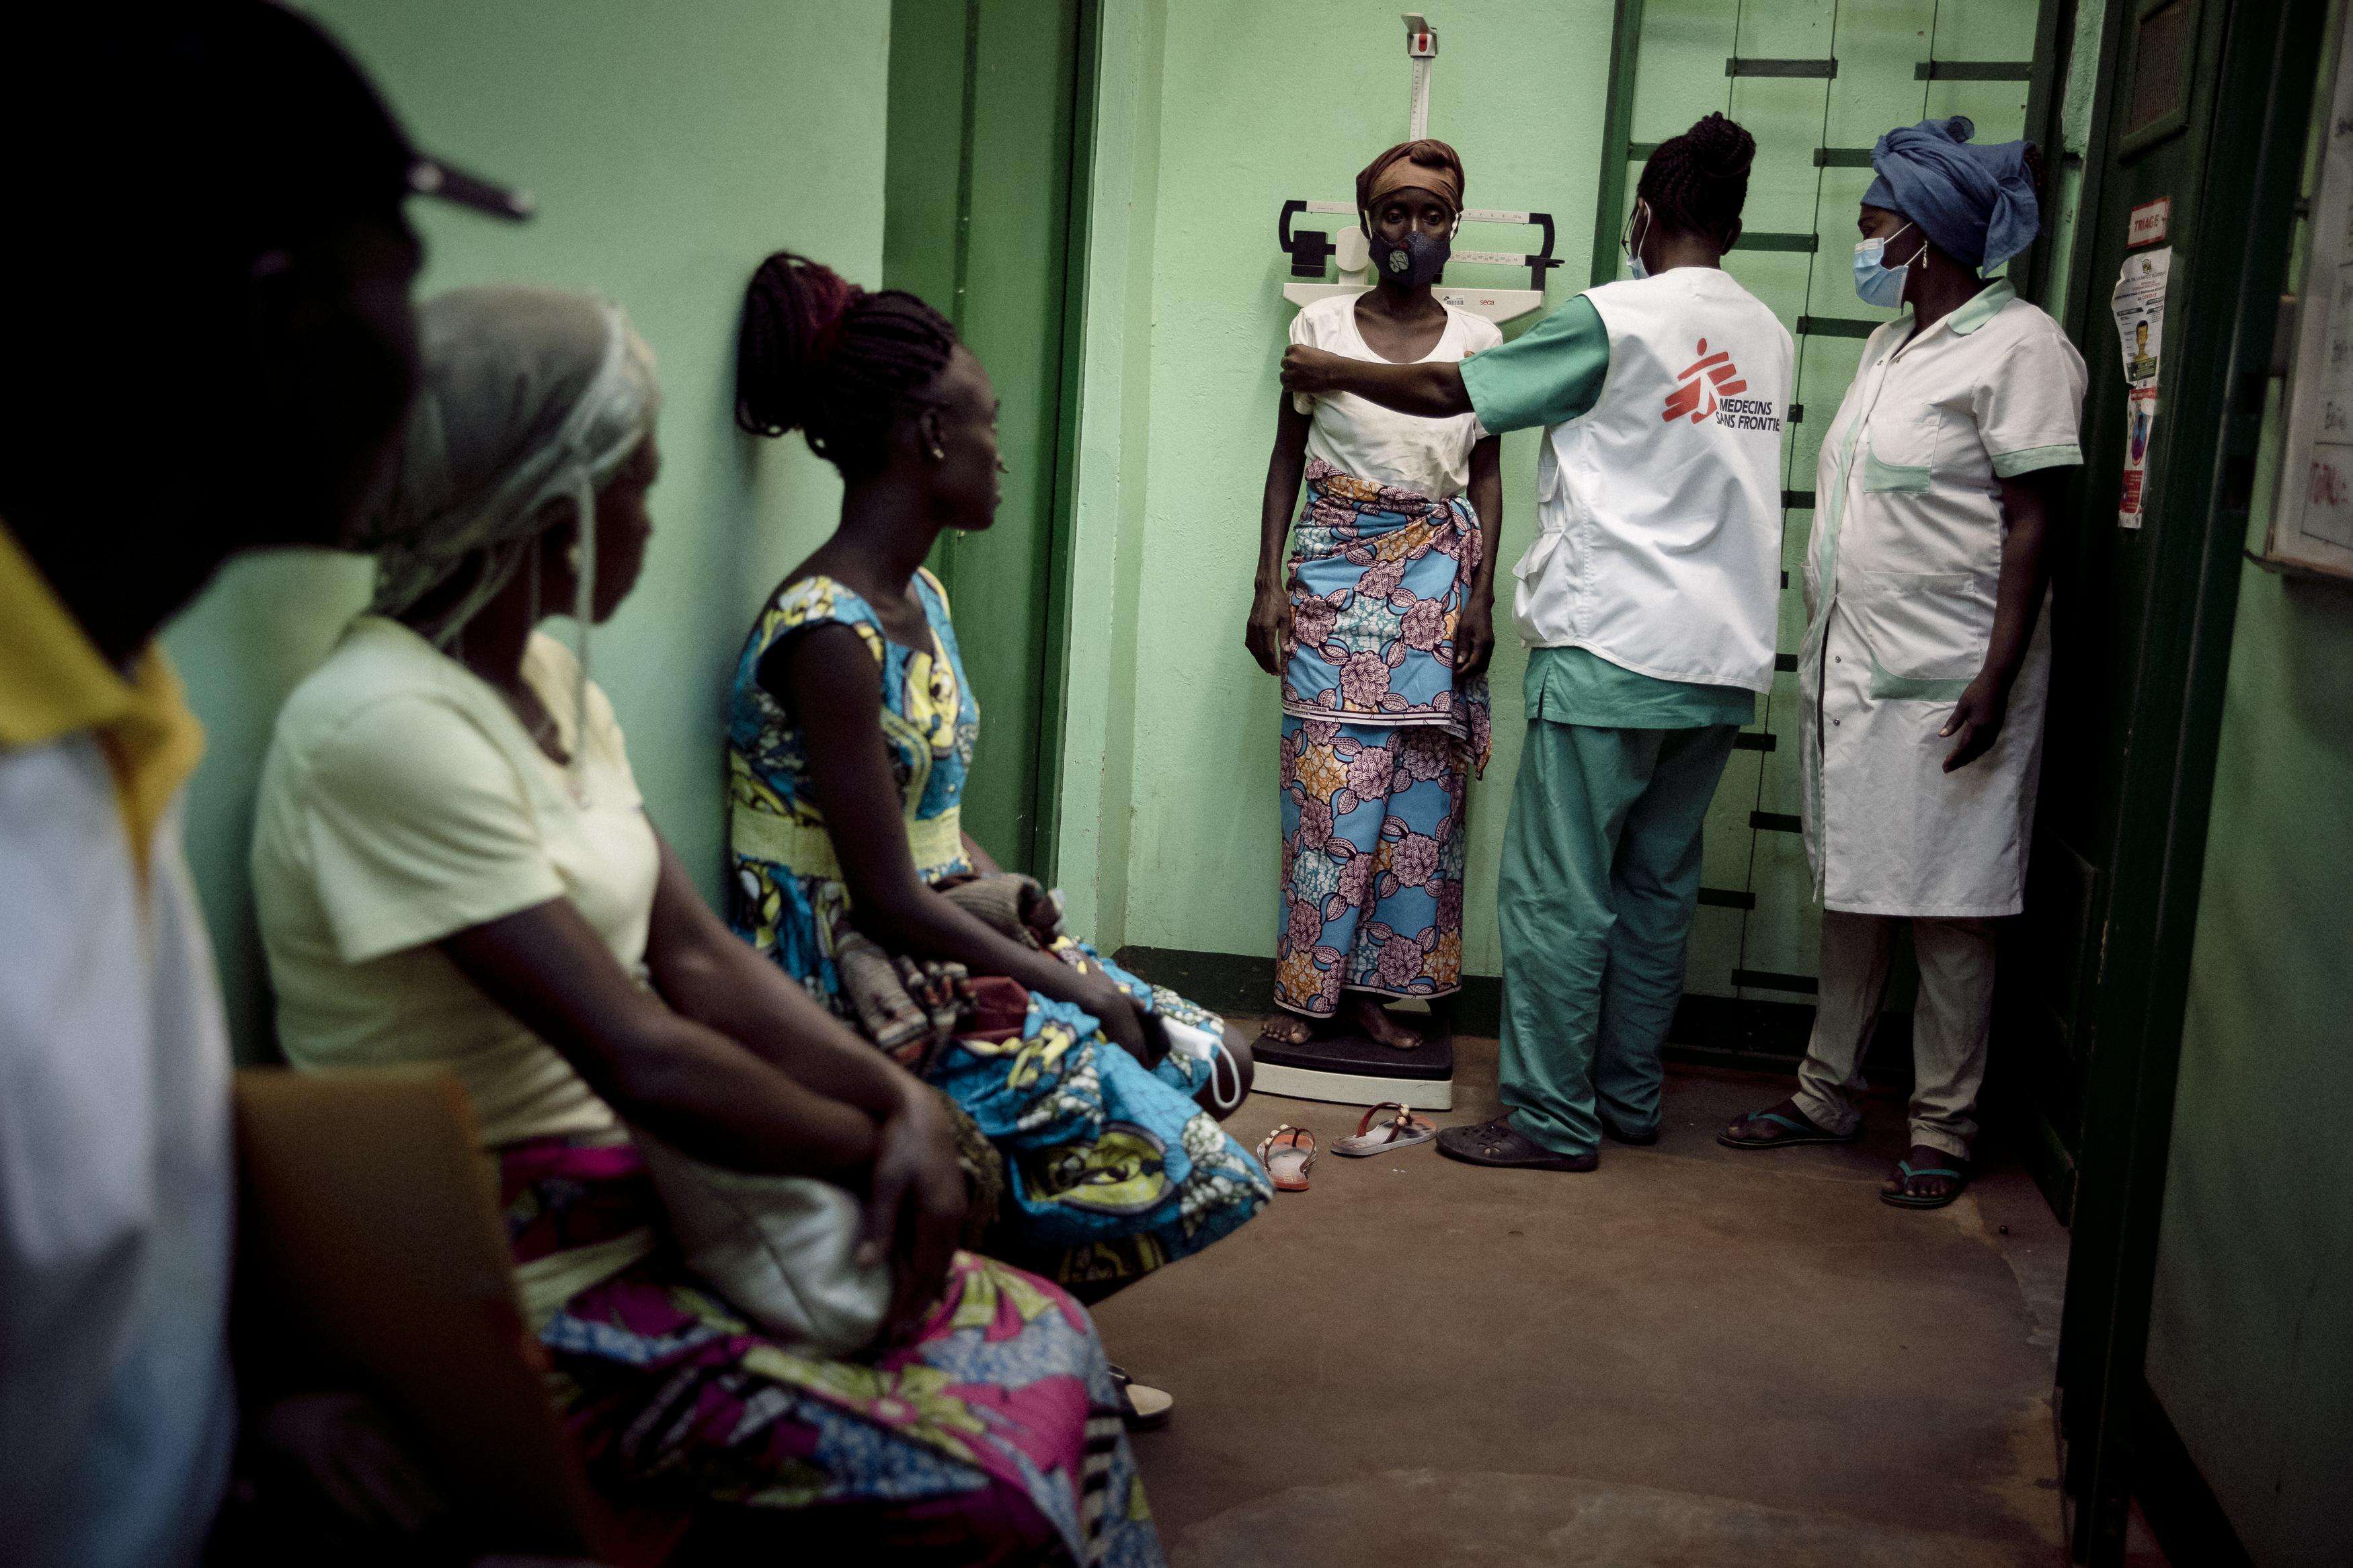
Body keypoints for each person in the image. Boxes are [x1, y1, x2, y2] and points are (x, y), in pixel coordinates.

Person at [251, 286, 1163, 1566]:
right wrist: (880, 1135)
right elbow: (641, 1050)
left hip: (668, 1202)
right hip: (530, 1275)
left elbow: (695, 956)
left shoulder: (548, 684)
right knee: (997, 1477)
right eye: (632, 483)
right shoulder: (386, 728)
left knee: (1062, 1350)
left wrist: (903, 1111)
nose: (647, 513)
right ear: (548, 503)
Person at [0, 8, 522, 1563]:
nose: (418, 351)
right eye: (406, 278)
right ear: (279, 319)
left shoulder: (110, 703)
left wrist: (233, 1416)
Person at [727, 252, 1270, 1317]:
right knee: (1197, 1157)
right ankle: (1006, 1319)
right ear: (930, 435)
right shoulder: (826, 635)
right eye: (988, 423)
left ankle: (1015, 1307)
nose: (1000, 453)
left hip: (936, 926)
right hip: (843, 967)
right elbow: (881, 894)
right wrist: (1081, 987)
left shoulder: (917, 594)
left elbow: (929, 820)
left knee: (1218, 1061)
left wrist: (1026, 913)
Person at [1283, 114, 1793, 1173]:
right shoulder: (1768, 332)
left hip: (1613, 649)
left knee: (1561, 892)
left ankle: (1553, 1122)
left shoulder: (1614, 319)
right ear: (1734, 226)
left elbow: (1451, 395)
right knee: (1658, 891)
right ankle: (1627, 1098)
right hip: (1721, 658)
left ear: (1645, 216)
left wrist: (1327, 369)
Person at [1721, 118, 2085, 1210]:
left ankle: (1942, 1125)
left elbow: (2031, 519)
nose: (1864, 239)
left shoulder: (2020, 347)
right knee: (1856, 891)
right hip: (1859, 676)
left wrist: (1999, 670)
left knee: (1952, 909)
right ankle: (1826, 1091)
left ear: (1926, 236)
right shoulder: (1893, 348)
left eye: (1877, 222)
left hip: (1952, 682)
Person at [1248, 138, 1503, 1054]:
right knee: (1331, 793)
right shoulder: (1318, 326)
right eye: (1395, 211)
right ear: (1368, 223)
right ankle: (1309, 991)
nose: (1412, 230)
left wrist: (1480, 598)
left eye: (1432, 214)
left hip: (1437, 584)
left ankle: (1376, 992)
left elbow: (1487, 477)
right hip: (1332, 574)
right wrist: (1266, 580)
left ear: (1453, 226)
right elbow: (1287, 459)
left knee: (1414, 807)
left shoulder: (1482, 343)